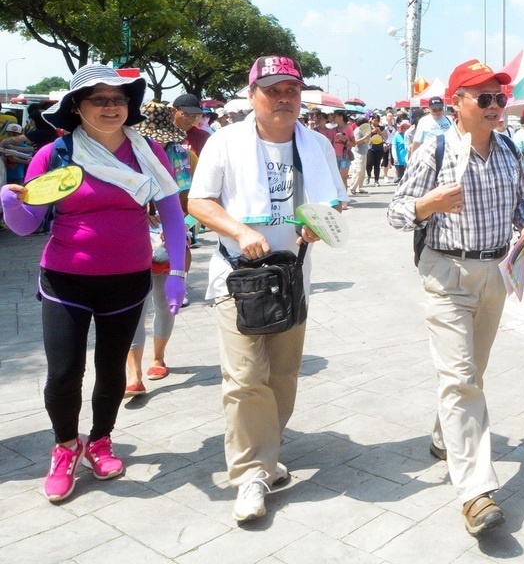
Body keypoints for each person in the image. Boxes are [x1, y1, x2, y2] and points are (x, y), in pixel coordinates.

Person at [1, 65, 188, 503]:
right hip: (66, 279)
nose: (111, 107)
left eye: (119, 99)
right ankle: (66, 447)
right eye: (99, 99)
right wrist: (10, 202)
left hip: (128, 278)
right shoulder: (57, 155)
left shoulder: (148, 153)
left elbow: (174, 215)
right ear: (77, 108)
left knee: (111, 371)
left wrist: (177, 272)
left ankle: (101, 441)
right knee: (64, 372)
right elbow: (28, 225)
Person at [187, 55, 347, 523]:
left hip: (292, 277)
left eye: (291, 91)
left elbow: (335, 199)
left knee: (282, 375)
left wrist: (323, 222)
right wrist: (238, 231)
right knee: (242, 378)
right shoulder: (225, 142)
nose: (283, 98)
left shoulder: (316, 144)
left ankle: (265, 450)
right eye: (272, 90)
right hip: (237, 276)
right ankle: (252, 473)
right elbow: (199, 201)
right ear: (251, 93)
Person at [388, 59, 524, 536]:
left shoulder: (511, 149)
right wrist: (426, 205)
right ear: (457, 103)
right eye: (485, 98)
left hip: (495, 271)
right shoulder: (434, 149)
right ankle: (475, 490)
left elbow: (522, 203)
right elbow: (395, 212)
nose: (496, 107)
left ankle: (443, 437)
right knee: (461, 378)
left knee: (471, 372)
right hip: (446, 272)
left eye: (500, 98)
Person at [126, 101, 194, 396]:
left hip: (170, 240)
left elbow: (192, 201)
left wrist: (180, 227)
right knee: (132, 307)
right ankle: (133, 372)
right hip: (130, 240)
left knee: (164, 303)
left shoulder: (181, 154)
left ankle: (158, 358)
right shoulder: (125, 157)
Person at [365, 115, 387, 186]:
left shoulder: (382, 128)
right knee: (369, 163)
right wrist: (371, 132)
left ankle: (376, 180)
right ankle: (368, 175)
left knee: (377, 165)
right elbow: (365, 137)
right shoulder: (368, 127)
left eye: (377, 121)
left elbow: (386, 138)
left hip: (379, 148)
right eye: (375, 120)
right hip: (370, 148)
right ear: (371, 120)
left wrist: (380, 132)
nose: (376, 122)